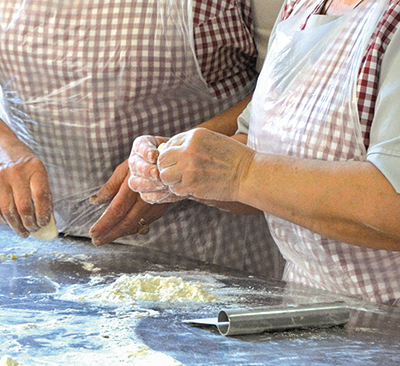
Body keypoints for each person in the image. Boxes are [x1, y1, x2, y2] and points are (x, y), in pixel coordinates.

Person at [129, 0, 400, 305]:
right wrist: (188, 168)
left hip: (388, 322)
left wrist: (241, 172)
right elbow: (259, 152)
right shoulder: (301, 7)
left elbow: (393, 205)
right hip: (310, 309)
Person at [0, 0, 284, 277]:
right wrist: (5, 148)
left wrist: (177, 160)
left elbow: (288, 90)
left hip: (208, 252)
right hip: (42, 256)